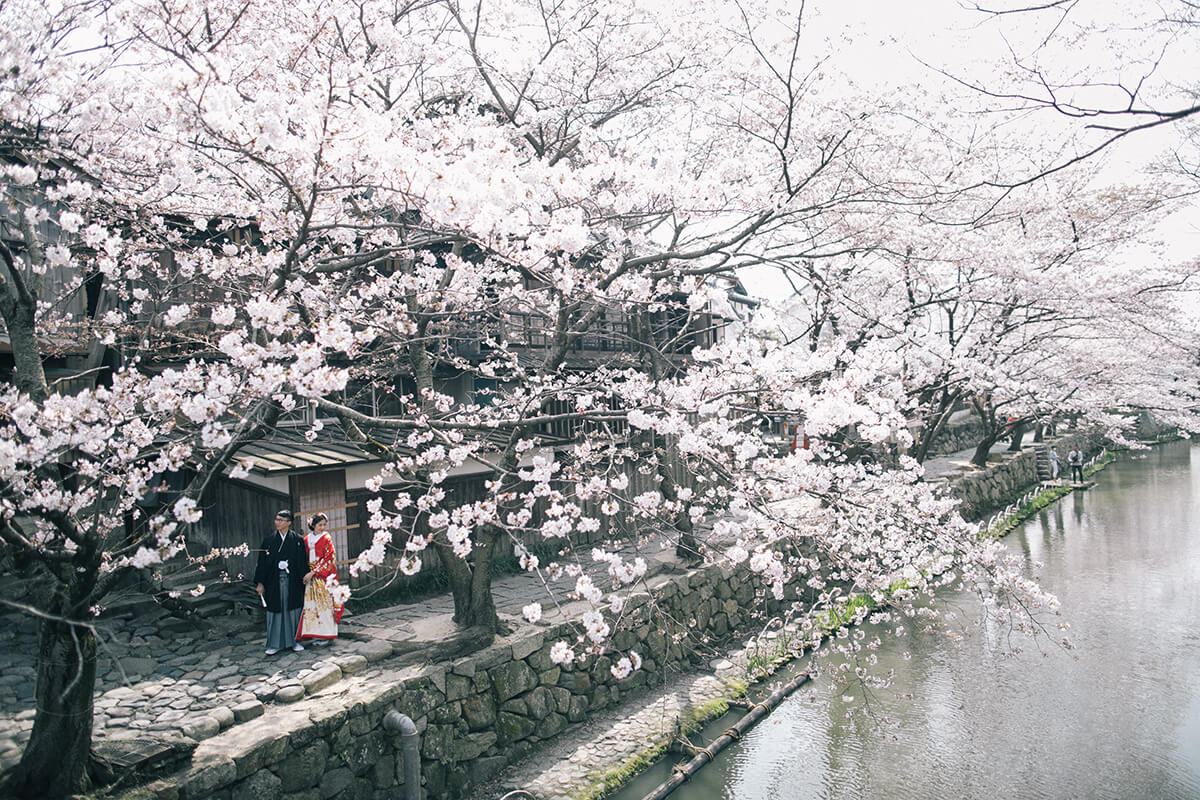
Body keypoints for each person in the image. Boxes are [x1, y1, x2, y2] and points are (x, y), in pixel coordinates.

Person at [254, 509, 308, 655]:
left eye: (280, 520)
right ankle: (274, 644)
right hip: (274, 581)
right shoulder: (269, 540)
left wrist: (305, 577)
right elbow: (262, 563)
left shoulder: (297, 540)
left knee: (293, 610)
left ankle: (294, 641)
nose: (277, 522)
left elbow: (302, 562)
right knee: (276, 610)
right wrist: (260, 583)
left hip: (292, 581)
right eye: (276, 519)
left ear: (289, 523)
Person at [296, 513, 344, 645]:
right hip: (310, 575)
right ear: (313, 525)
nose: (322, 528)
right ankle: (316, 633)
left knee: (325, 604)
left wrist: (313, 572)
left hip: (323, 576)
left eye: (324, 525)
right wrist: (305, 573)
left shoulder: (326, 538)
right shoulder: (306, 539)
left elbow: (329, 558)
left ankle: (327, 634)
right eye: (319, 525)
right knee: (312, 606)